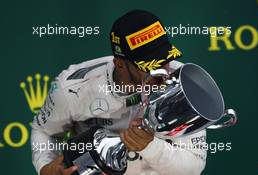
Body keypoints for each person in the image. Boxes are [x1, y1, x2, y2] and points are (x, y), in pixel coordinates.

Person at [31, 10, 207, 175]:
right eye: (151, 66)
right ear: (120, 64)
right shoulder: (74, 87)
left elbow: (193, 166)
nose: (164, 72)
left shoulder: (181, 82)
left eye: (166, 59)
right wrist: (46, 166)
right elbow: (45, 131)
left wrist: (150, 147)